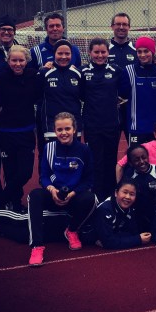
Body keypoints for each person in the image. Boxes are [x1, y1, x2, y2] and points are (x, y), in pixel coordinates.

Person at [27, 112, 96, 266]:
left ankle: (72, 230)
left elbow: (89, 180)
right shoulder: (48, 148)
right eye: (59, 130)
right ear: (55, 131)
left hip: (73, 197)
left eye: (67, 129)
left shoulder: (84, 150)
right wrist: (52, 190)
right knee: (34, 195)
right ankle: (37, 246)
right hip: (54, 195)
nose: (64, 133)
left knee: (91, 199)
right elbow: (44, 176)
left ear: (74, 129)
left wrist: (73, 193)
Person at [0, 45, 39, 212]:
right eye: (14, 60)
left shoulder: (33, 75)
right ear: (8, 61)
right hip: (6, 132)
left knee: (25, 172)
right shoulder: (0, 77)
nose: (17, 64)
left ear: (27, 61)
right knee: (10, 172)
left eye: (21, 60)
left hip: (26, 131)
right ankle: (15, 204)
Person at [80, 38, 123, 201]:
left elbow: (124, 91)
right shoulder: (83, 71)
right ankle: (96, 197)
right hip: (92, 125)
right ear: (90, 53)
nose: (100, 55)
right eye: (96, 52)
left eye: (103, 52)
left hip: (112, 124)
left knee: (110, 160)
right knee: (95, 161)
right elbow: (80, 94)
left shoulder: (116, 70)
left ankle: (110, 197)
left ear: (108, 52)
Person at [119, 36, 156, 145]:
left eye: (146, 51)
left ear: (153, 52)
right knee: (136, 155)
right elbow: (122, 94)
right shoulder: (129, 70)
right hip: (137, 126)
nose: (142, 55)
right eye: (139, 51)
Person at [38, 39, 83, 150]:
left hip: (73, 126)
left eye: (67, 54)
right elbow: (37, 96)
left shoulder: (77, 73)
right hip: (51, 126)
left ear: (72, 55)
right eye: (60, 53)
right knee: (52, 157)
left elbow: (83, 96)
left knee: (74, 157)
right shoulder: (44, 73)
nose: (63, 57)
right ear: (54, 54)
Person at [92, 179, 152, 249]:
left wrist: (116, 238)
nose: (128, 197)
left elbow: (133, 233)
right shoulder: (105, 209)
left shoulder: (130, 207)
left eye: (132, 194)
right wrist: (138, 239)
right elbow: (108, 242)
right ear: (116, 193)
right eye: (125, 192)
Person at [117, 144, 156, 231]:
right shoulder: (129, 174)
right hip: (138, 214)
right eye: (136, 160)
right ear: (130, 163)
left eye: (144, 157)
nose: (142, 161)